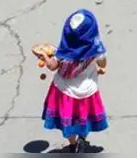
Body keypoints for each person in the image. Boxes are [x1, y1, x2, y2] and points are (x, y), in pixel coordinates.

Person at [35, 9, 109, 153]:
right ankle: (82, 138)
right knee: (84, 118)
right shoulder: (96, 49)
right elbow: (103, 64)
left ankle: (73, 144)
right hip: (87, 91)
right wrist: (99, 67)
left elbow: (52, 66)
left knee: (68, 120)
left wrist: (44, 55)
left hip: (64, 91)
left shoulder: (64, 51)